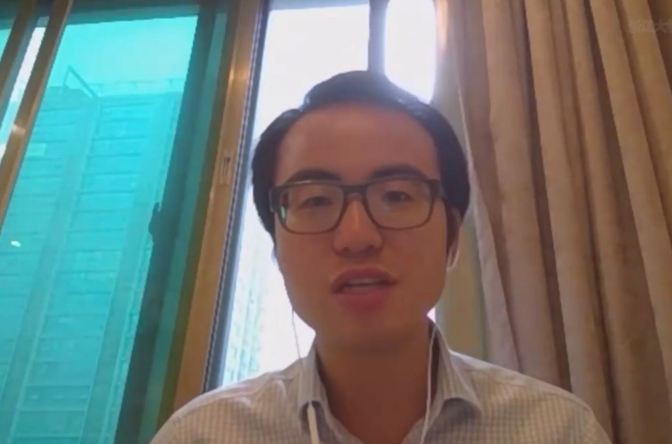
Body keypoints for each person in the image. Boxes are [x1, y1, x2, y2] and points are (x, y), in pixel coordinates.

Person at [151, 71, 610, 444]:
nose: (357, 237)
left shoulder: (558, 431)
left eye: (396, 196)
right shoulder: (202, 435)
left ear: (452, 237)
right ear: (277, 248)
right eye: (316, 200)